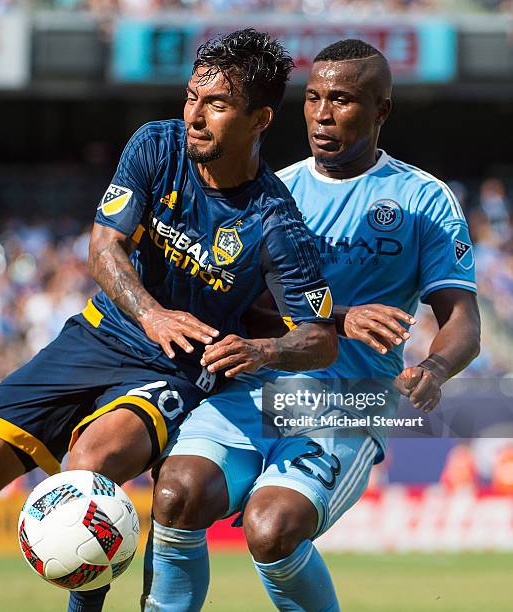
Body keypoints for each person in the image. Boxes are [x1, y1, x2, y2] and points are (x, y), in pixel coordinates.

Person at [0, 29, 338, 612]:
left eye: (216, 105)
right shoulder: (156, 145)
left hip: (176, 367)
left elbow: (318, 338)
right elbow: (104, 246)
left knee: (89, 466)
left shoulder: (275, 221)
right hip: (101, 334)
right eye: (192, 97)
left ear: (261, 119)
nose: (195, 115)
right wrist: (150, 312)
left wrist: (263, 352)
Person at [144, 39, 481, 611]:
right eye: (315, 98)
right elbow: (247, 308)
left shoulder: (424, 199)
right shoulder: (273, 193)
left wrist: (435, 365)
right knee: (176, 495)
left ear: (382, 111)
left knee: (271, 528)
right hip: (255, 386)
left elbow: (463, 320)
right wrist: (332, 323)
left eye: (343, 100)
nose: (323, 114)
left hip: (347, 400)